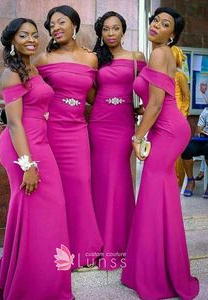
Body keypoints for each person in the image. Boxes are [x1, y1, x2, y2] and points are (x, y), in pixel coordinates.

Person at [0, 18, 73, 300]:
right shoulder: (11, 73)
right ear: (12, 41)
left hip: (40, 144)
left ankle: (44, 280)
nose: (31, 39)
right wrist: (28, 164)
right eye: (24, 35)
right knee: (31, 212)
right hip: (23, 148)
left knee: (49, 213)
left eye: (34, 34)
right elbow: (15, 123)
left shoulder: (32, 68)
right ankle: (27, 286)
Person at [121, 7, 199, 299]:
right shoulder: (159, 54)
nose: (156, 25)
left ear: (172, 35)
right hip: (166, 128)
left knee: (154, 192)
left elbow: (156, 106)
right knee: (160, 193)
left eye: (165, 24)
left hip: (167, 130)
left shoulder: (160, 53)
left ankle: (157, 272)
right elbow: (152, 102)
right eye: (155, 20)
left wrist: (136, 136)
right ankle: (161, 267)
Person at [34, 5, 102, 269]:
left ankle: (83, 249)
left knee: (80, 184)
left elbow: (94, 97)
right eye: (51, 25)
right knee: (54, 191)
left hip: (78, 131)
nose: (56, 28)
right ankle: (54, 248)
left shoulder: (91, 59)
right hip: (50, 133)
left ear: (75, 25)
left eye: (61, 22)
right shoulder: (43, 60)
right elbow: (31, 96)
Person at [88, 11, 146, 270]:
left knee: (119, 178)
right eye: (106, 29)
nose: (111, 34)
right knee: (100, 180)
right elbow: (90, 93)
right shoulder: (94, 59)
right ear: (101, 33)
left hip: (123, 125)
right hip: (99, 123)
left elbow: (148, 89)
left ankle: (119, 244)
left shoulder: (137, 58)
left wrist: (141, 108)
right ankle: (96, 243)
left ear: (124, 31)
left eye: (116, 29)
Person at [171, 45, 190, 186]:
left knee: (176, 154)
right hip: (164, 118)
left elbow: (186, 99)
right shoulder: (164, 75)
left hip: (177, 118)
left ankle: (177, 182)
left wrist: (181, 117)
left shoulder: (180, 76)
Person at [182, 106, 208, 198]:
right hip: (204, 140)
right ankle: (190, 181)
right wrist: (200, 133)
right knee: (187, 149)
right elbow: (197, 131)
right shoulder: (206, 111)